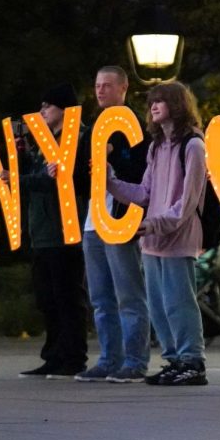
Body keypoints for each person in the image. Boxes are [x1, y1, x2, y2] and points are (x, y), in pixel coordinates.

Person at [106, 82, 209, 386]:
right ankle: (174, 359)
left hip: (178, 237)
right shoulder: (155, 147)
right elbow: (145, 193)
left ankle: (192, 361)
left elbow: (187, 202)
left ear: (177, 105)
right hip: (152, 240)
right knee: (159, 305)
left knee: (179, 301)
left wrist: (154, 224)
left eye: (161, 101)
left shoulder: (193, 146)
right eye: (152, 101)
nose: (153, 106)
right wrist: (109, 180)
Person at [75, 66, 151, 383]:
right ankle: (109, 358)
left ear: (124, 88)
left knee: (128, 294)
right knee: (101, 296)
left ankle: (134, 360)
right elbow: (79, 176)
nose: (101, 90)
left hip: (119, 218)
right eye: (96, 85)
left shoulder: (134, 129)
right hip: (94, 220)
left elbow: (140, 170)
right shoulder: (92, 130)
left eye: (107, 85)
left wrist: (114, 158)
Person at [9, 84, 90, 379]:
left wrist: (18, 180)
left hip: (65, 228)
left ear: (64, 110)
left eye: (48, 106)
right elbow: (40, 176)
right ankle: (54, 355)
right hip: (44, 228)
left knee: (67, 295)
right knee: (48, 297)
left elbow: (55, 180)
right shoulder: (45, 143)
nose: (42, 112)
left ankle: (73, 356)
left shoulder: (77, 139)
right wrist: (22, 160)